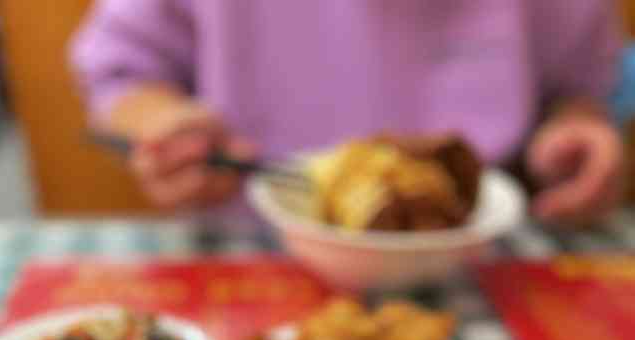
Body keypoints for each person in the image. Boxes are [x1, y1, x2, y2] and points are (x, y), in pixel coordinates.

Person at [70, 0, 626, 226]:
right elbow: (120, 74)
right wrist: (165, 125)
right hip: (248, 239)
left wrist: (577, 132)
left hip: (478, 257)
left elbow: (579, 89)